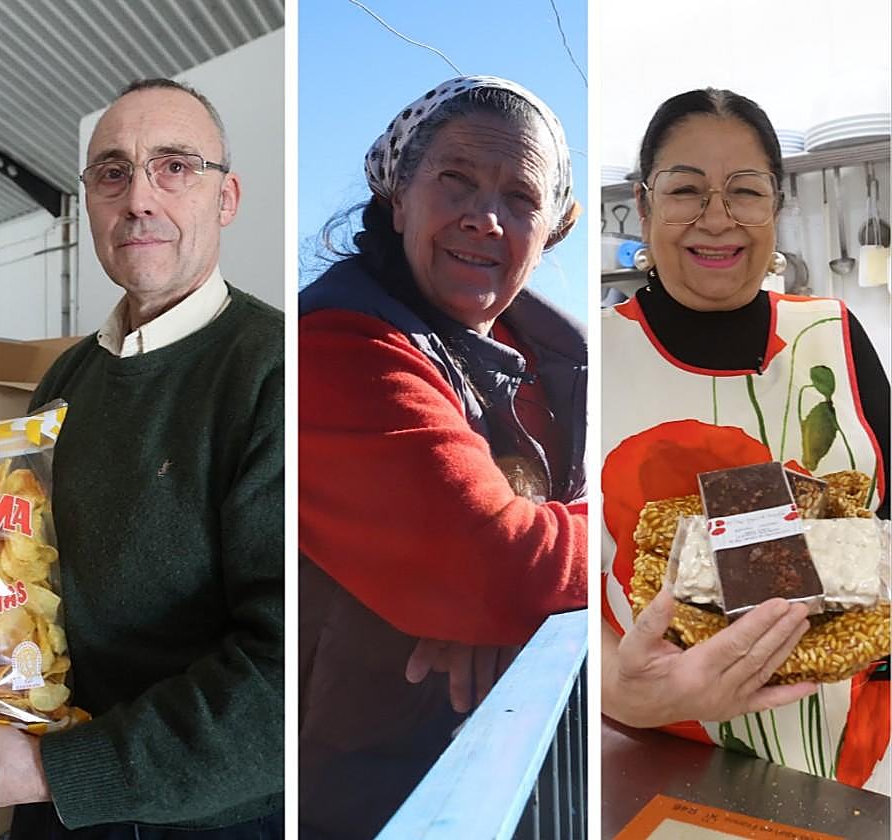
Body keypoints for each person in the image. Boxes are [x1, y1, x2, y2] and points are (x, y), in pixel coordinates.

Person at [299, 76, 588, 839]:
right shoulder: (339, 349)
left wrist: (502, 608)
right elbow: (499, 562)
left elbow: (507, 567)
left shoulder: (547, 363)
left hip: (493, 764)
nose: (483, 217)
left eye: (520, 198)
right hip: (357, 796)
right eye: (454, 178)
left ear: (555, 228)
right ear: (399, 199)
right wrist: (498, 582)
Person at [0, 79, 284, 838]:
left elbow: (289, 674)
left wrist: (38, 770)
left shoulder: (278, 372)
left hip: (201, 818)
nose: (140, 199)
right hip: (53, 795)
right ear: (89, 200)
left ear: (227, 199)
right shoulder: (67, 380)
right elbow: (27, 572)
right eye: (113, 172)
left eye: (177, 166)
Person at [600, 88, 891, 792]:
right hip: (677, 758)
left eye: (745, 191)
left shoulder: (833, 333)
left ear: (777, 204)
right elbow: (556, 592)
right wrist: (621, 688)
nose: (717, 219)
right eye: (686, 190)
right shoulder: (591, 362)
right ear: (643, 205)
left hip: (859, 752)